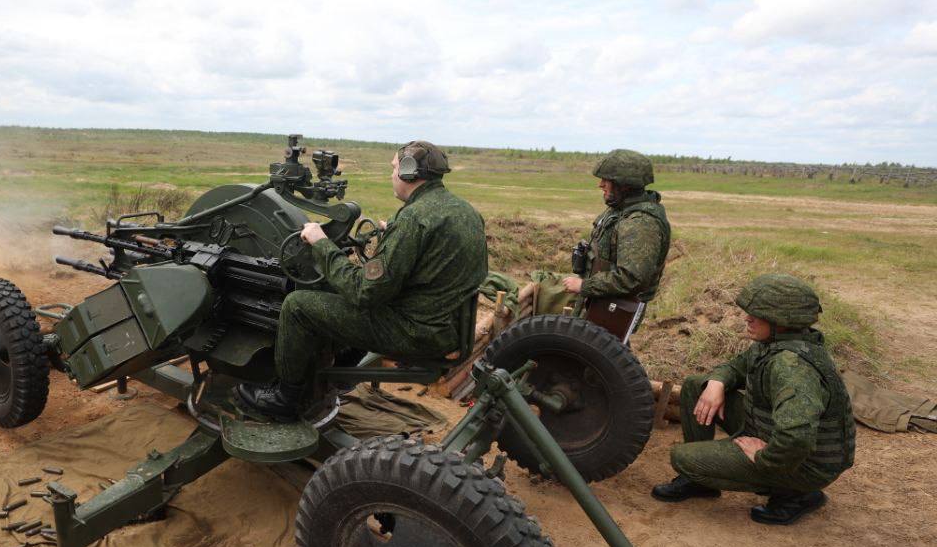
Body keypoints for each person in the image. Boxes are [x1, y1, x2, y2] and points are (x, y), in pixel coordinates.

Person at [236, 141, 488, 420]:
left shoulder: (414, 219)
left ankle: (285, 399)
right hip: (447, 326)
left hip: (415, 332)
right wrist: (392, 239)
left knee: (297, 306)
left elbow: (363, 292)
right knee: (343, 293)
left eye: (394, 168)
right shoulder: (463, 210)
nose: (391, 175)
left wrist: (321, 243)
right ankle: (340, 378)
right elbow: (435, 263)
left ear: (408, 173)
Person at [651, 274, 856, 525]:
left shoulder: (792, 367)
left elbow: (797, 437)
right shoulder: (777, 342)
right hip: (777, 436)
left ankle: (795, 494)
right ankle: (699, 482)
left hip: (803, 464)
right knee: (697, 385)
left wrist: (763, 457)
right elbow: (737, 367)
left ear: (780, 321)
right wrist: (717, 382)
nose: (747, 318)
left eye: (757, 314)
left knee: (682, 458)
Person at [517, 149, 670, 326]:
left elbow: (632, 279)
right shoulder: (620, 210)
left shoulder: (641, 223)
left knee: (602, 351)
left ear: (624, 185)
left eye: (607, 180)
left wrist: (584, 286)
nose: (601, 185)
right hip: (601, 303)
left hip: (615, 310)